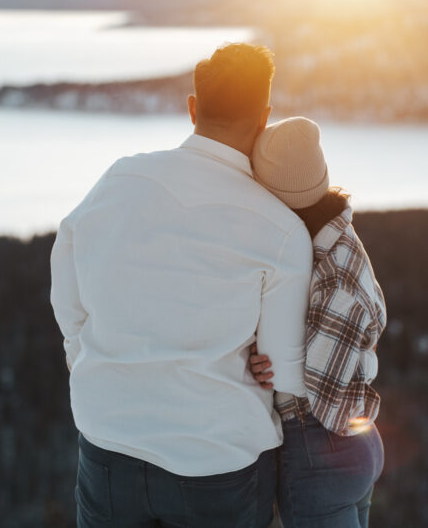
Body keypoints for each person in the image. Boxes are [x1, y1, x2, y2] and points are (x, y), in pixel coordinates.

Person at [49, 43, 312, 528]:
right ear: (265, 116)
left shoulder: (119, 179)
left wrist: (82, 354)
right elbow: (286, 377)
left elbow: (66, 277)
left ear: (193, 108)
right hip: (217, 461)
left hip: (110, 442)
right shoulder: (281, 230)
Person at [247, 117, 387, 528]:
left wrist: (271, 369)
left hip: (324, 452)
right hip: (354, 448)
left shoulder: (334, 275)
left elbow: (329, 401)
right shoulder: (338, 238)